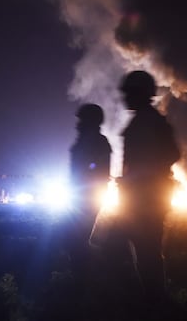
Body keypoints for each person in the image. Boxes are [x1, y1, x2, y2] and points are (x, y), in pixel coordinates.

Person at [116, 70, 180, 302]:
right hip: (141, 197)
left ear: (140, 93)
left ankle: (152, 300)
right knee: (143, 249)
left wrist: (141, 177)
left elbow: (170, 154)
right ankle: (149, 297)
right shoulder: (145, 120)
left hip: (146, 198)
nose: (125, 98)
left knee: (146, 250)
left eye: (129, 93)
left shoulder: (149, 121)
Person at [67, 103, 112, 279]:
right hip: (81, 198)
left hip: (87, 199)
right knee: (75, 238)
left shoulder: (97, 143)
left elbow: (96, 171)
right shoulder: (87, 141)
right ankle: (83, 274)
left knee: (77, 239)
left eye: (81, 120)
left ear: (91, 121)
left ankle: (85, 276)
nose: (77, 124)